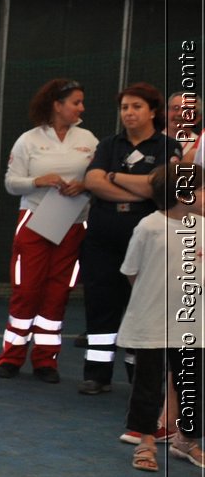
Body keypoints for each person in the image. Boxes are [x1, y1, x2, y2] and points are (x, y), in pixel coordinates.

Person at [80, 84, 178, 411]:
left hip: (147, 238)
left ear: (153, 111)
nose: (129, 113)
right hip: (103, 236)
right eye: (124, 107)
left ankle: (139, 375)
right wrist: (140, 190)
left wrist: (115, 177)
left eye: (136, 107)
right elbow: (93, 181)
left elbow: (161, 185)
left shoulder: (167, 146)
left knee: (142, 306)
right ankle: (97, 373)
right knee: (100, 302)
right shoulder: (109, 144)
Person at [0, 79, 98, 382]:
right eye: (75, 102)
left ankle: (45, 361)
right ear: (57, 104)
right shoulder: (28, 140)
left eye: (81, 102)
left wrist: (85, 185)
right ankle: (11, 356)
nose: (81, 107)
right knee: (26, 291)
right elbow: (11, 183)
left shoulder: (89, 139)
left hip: (74, 223)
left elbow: (97, 176)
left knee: (57, 293)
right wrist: (39, 181)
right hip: (35, 220)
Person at [117, 161, 203, 471]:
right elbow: (131, 272)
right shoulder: (149, 227)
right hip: (151, 324)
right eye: (201, 188)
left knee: (192, 383)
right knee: (148, 385)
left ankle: (187, 440)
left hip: (192, 326)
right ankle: (146, 440)